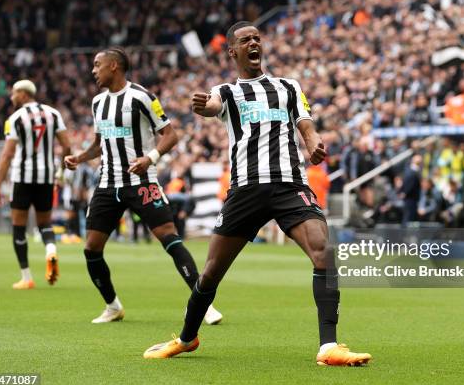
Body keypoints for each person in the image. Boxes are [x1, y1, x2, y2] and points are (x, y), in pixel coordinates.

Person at [143, 22, 370, 366]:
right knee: (211, 273)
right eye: (245, 40)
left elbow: (305, 125)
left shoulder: (288, 87)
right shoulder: (228, 92)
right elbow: (212, 106)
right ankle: (187, 338)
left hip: (290, 185)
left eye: (257, 38)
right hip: (246, 190)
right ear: (232, 51)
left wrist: (313, 144)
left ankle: (329, 347)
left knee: (324, 252)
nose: (253, 43)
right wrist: (202, 106)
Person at [64, 47, 222, 325]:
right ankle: (113, 306)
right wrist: (80, 157)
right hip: (107, 183)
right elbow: (100, 144)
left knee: (169, 238)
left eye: (97, 64)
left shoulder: (142, 97)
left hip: (141, 182)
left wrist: (150, 158)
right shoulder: (98, 102)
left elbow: (170, 135)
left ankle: (204, 305)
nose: (93, 70)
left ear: (114, 66)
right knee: (91, 248)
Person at [0, 80, 71, 289]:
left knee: (18, 227)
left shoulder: (14, 119)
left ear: (24, 93)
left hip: (23, 178)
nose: (11, 97)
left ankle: (26, 278)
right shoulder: (54, 114)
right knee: (44, 224)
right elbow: (67, 145)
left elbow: (8, 154)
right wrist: (61, 171)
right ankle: (51, 250)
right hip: (46, 177)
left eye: (14, 93)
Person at [400, 154, 422, 227]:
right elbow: (408, 185)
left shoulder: (411, 171)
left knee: (410, 218)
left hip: (412, 198)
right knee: (408, 218)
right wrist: (404, 192)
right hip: (410, 198)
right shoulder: (412, 172)